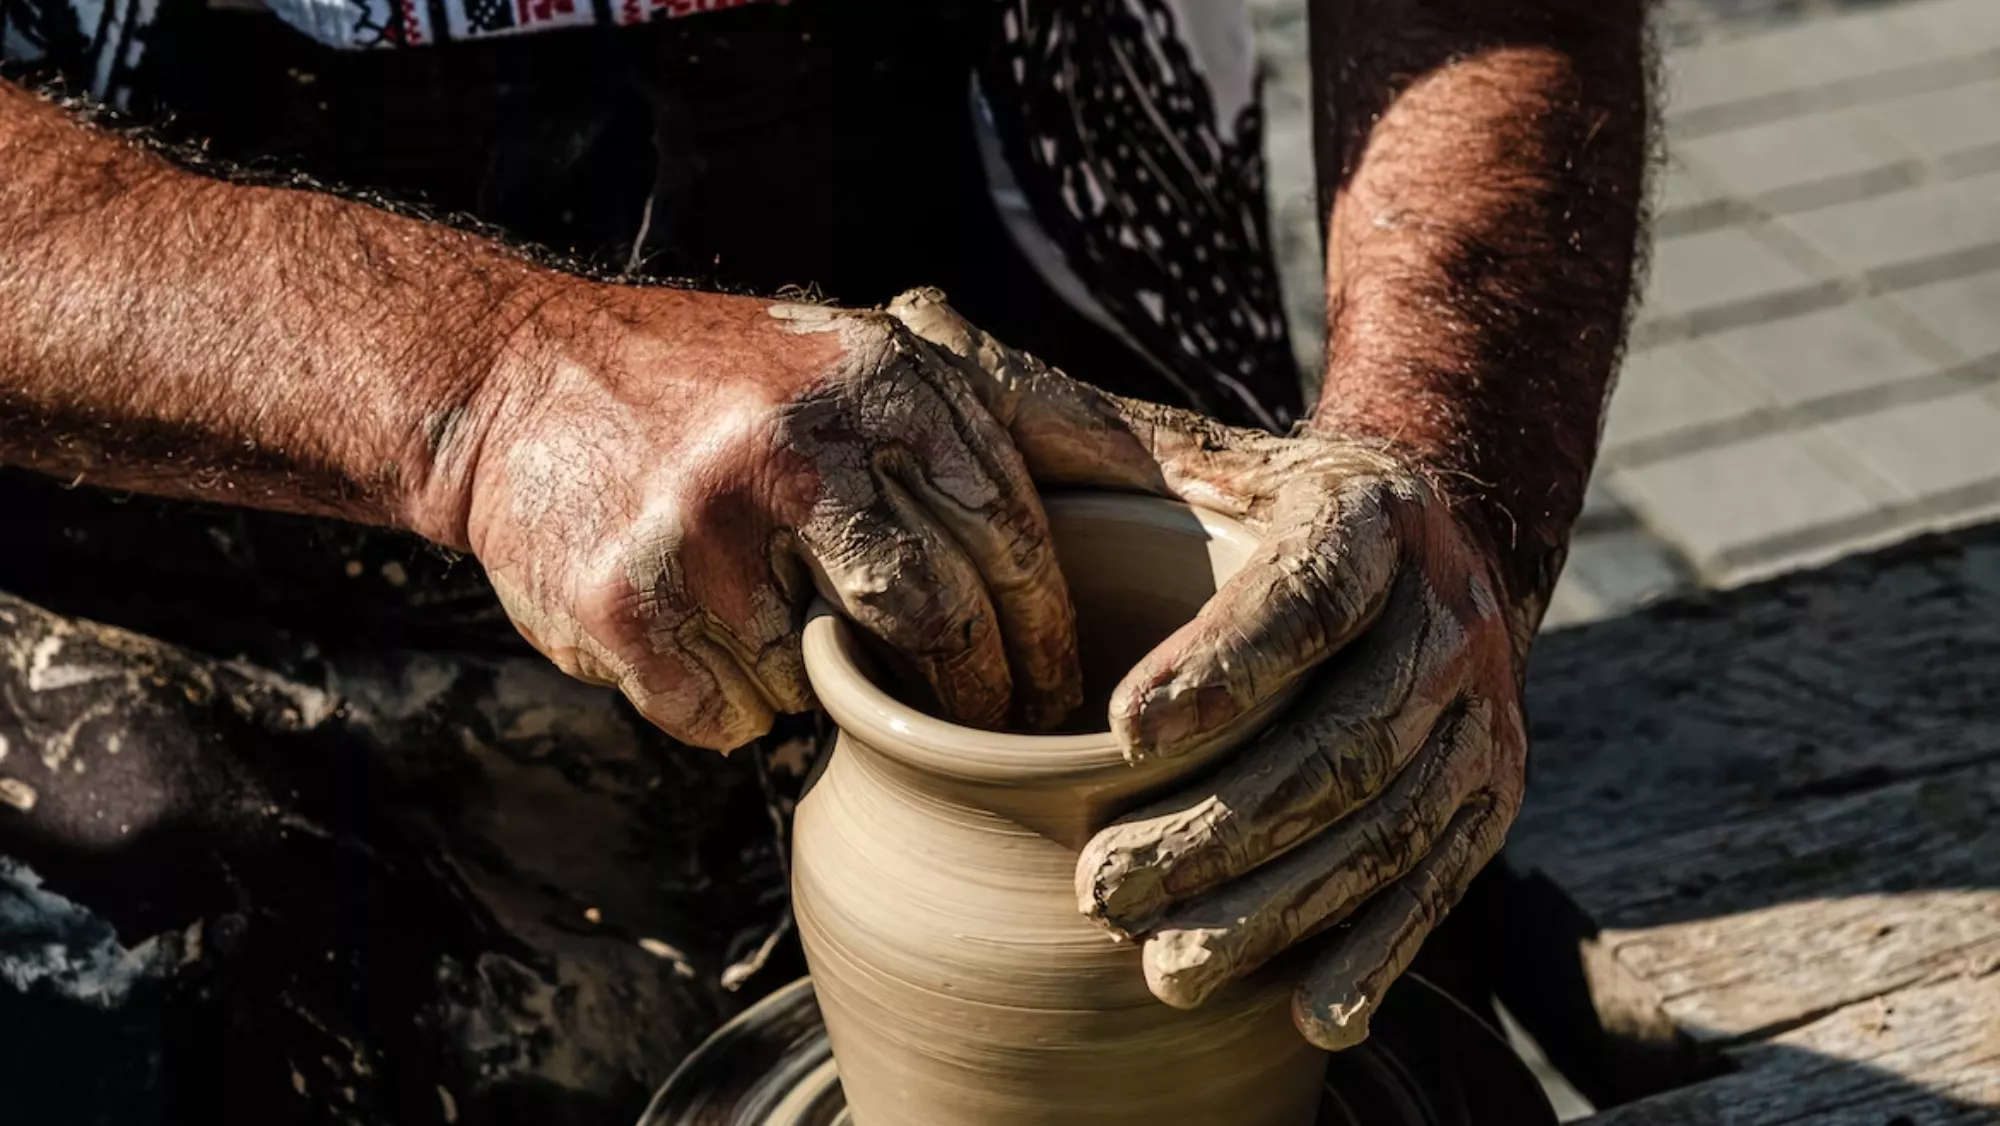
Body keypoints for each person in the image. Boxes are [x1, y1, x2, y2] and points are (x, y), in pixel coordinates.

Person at [0, 0, 1648, 1121]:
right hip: (199, 466)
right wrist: (480, 394)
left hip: (1048, 370)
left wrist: (1440, 472)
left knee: (1307, 892)